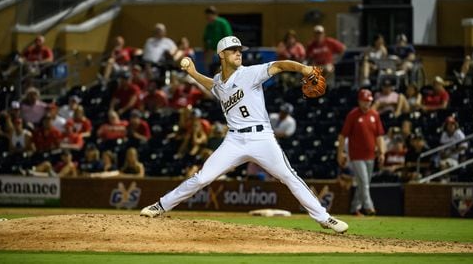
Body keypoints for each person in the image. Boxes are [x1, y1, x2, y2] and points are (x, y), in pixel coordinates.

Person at [140, 36, 348, 233]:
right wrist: (193, 73)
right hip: (234, 140)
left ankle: (324, 218)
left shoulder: (250, 73)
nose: (238, 53)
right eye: (233, 50)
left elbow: (280, 65)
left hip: (262, 138)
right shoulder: (220, 82)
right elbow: (214, 86)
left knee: (289, 176)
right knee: (202, 178)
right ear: (221, 55)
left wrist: (303, 68)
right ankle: (160, 206)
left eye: (240, 50)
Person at [337, 89, 385, 216]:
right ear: (359, 101)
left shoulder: (375, 115)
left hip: (371, 155)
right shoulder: (353, 115)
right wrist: (340, 153)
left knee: (364, 183)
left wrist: (381, 152)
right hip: (356, 155)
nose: (366, 104)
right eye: (364, 101)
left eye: (368, 101)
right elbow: (342, 136)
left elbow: (379, 136)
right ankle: (369, 207)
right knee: (364, 181)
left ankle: (354, 208)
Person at [203, 6, 233, 75]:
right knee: (212, 70)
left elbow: (228, 37)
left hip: (223, 51)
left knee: (222, 70)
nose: (207, 18)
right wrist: (206, 52)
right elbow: (205, 39)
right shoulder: (209, 26)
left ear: (214, 14)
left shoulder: (222, 23)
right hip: (213, 52)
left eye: (208, 16)